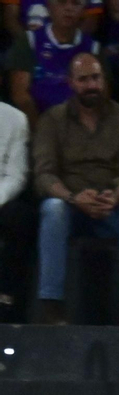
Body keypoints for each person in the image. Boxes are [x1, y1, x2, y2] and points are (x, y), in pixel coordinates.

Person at [33, 53, 119, 327]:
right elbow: (44, 175)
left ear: (104, 80)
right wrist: (73, 198)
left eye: (95, 78)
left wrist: (114, 196)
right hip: (71, 206)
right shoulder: (53, 119)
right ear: (71, 82)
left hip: (111, 207)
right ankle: (51, 307)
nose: (91, 85)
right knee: (52, 209)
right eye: (83, 79)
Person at [7, 0, 99, 127]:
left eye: (76, 3)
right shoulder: (29, 41)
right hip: (37, 125)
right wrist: (42, 128)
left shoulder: (93, 48)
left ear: (84, 11)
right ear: (49, 7)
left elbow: (100, 96)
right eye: (61, 2)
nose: (68, 8)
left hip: (80, 127)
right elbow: (21, 96)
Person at [0, 97, 29, 323]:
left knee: (19, 217)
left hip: (1, 200)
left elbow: (16, 175)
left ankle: (6, 301)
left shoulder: (16, 119)